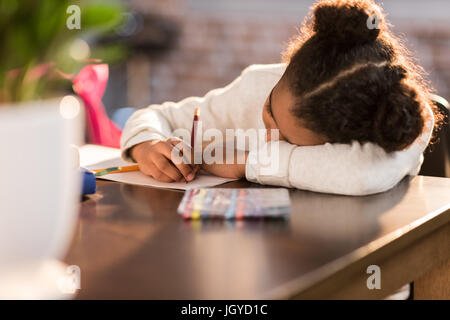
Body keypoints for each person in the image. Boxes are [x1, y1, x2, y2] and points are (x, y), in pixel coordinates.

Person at [120, 0, 442, 196]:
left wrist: (249, 163)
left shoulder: (390, 121)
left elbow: (363, 175)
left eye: (286, 139)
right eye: (270, 106)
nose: (266, 124)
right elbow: (156, 115)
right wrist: (146, 144)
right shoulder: (255, 87)